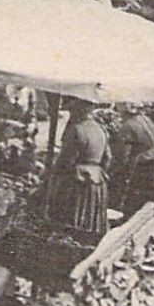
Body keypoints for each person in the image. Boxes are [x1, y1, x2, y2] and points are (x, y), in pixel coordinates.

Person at [47, 100, 112, 241]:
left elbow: (66, 161)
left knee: (71, 218)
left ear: (78, 111)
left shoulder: (76, 130)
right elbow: (108, 157)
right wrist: (96, 170)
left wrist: (52, 175)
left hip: (78, 181)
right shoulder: (100, 129)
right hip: (97, 178)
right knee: (91, 220)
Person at [110, 104, 154, 215]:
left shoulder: (127, 126)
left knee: (136, 197)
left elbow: (122, 157)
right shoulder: (144, 118)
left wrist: (113, 172)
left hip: (147, 165)